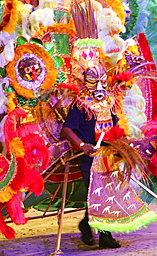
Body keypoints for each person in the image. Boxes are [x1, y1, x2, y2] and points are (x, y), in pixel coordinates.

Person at [61, 65, 121, 249]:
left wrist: (122, 143)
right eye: (93, 82)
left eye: (103, 81)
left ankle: (87, 224)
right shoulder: (80, 104)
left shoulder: (109, 102)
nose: (99, 87)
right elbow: (66, 130)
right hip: (89, 156)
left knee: (108, 193)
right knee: (99, 194)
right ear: (84, 82)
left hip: (108, 154)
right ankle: (104, 236)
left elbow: (115, 126)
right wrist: (82, 145)